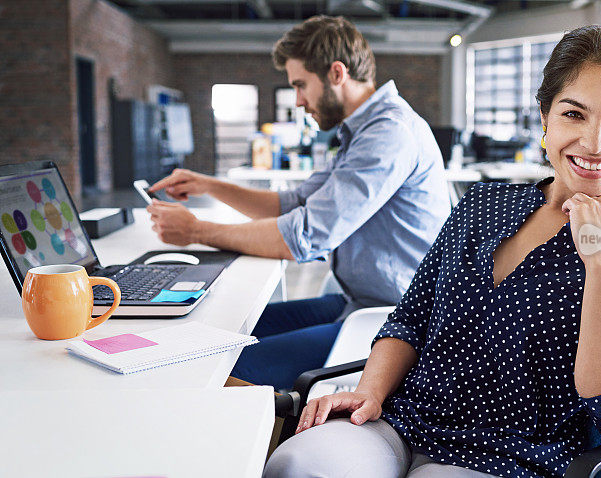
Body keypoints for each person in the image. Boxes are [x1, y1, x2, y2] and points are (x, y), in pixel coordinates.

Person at [263, 25, 601, 478]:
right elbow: (411, 318)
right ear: (546, 119)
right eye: (574, 114)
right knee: (298, 464)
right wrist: (370, 390)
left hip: (516, 458)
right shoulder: (483, 204)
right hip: (404, 424)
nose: (595, 141)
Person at [146, 16, 450, 389]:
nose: (299, 101)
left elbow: (304, 237)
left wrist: (195, 230)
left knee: (214, 369)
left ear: (337, 73)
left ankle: (265, 438)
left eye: (301, 85)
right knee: (218, 332)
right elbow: (293, 203)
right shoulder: (363, 129)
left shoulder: (389, 133)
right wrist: (209, 186)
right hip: (360, 303)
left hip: (394, 325)